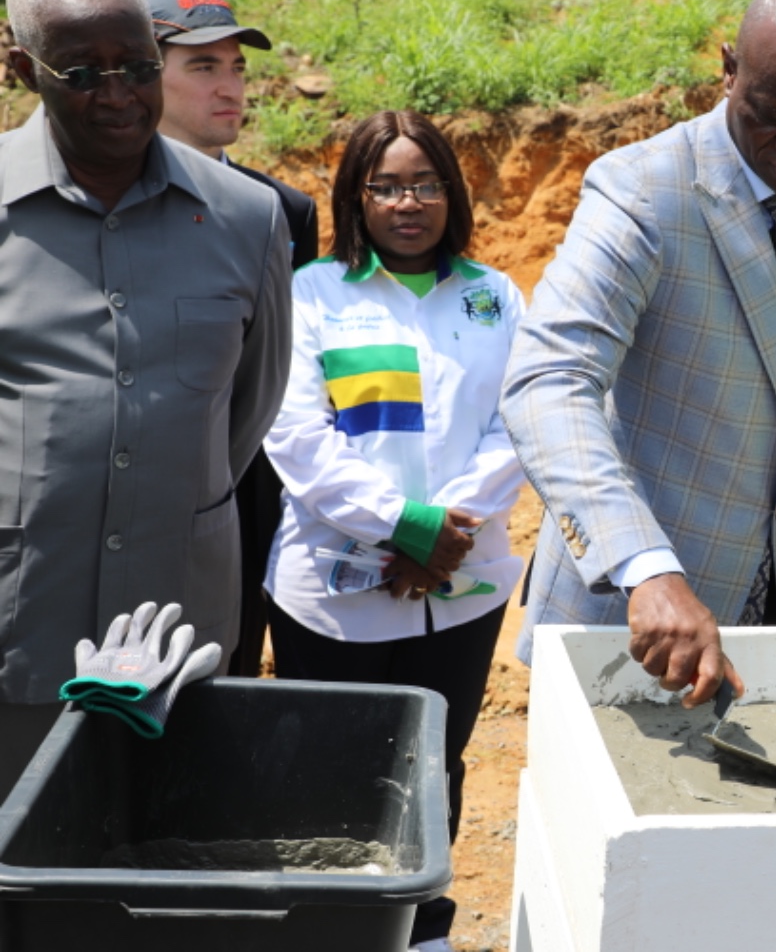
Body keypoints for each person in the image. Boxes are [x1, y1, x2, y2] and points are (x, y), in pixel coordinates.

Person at [501, 0, 776, 705]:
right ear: (729, 70)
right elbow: (549, 380)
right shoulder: (643, 191)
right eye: (774, 115)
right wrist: (645, 566)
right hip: (630, 621)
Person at [0, 0, 290, 800]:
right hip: (20, 621)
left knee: (158, 852)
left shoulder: (245, 215)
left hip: (179, 625)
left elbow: (248, 408)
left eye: (135, 66)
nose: (118, 94)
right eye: (83, 74)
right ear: (21, 68)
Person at [262, 109, 525, 952]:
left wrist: (445, 536)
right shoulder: (313, 294)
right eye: (387, 186)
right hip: (334, 590)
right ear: (356, 197)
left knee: (436, 765)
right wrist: (406, 527)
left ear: (451, 192)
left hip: (462, 588)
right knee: (331, 766)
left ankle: (425, 931)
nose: (408, 202)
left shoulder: (495, 295)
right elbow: (297, 436)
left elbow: (520, 422)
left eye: (426, 183)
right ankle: (335, 925)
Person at [144, 0, 322, 678]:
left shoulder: (282, 212)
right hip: (122, 495)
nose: (231, 87)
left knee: (226, 682)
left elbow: (278, 370)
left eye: (238, 67)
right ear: (142, 74)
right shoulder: (91, 203)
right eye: (203, 66)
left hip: (244, 498)